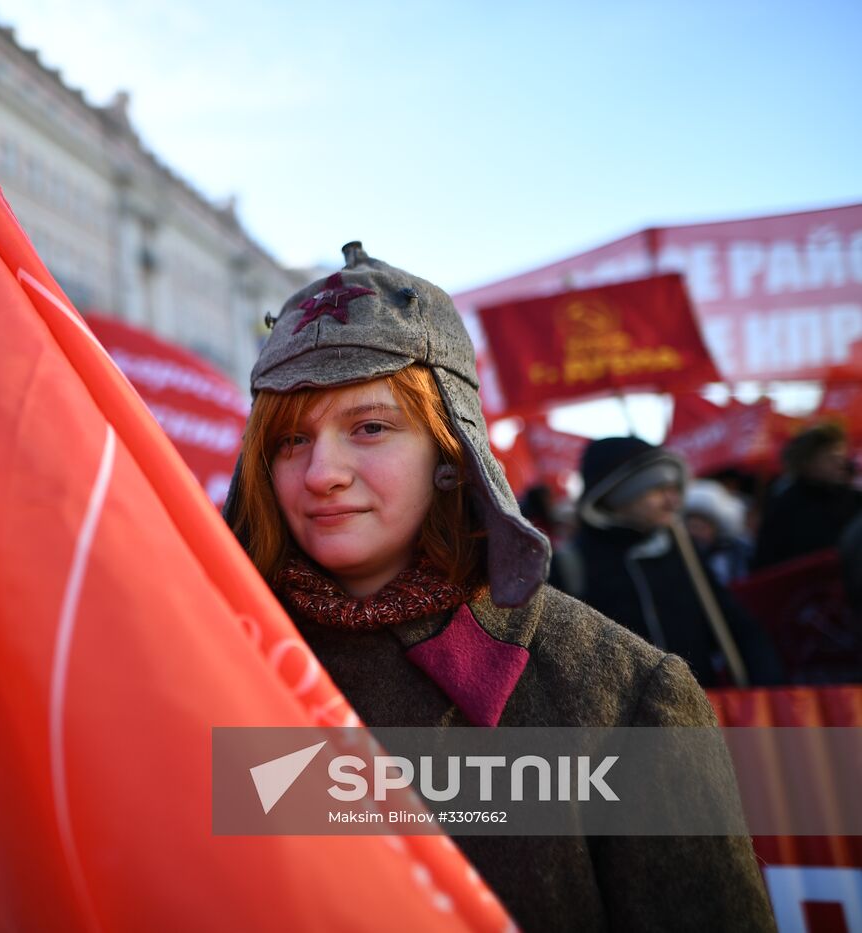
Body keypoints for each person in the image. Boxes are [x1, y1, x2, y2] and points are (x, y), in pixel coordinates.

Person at [224, 244, 774, 932]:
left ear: (452, 453)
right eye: (290, 441)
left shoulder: (621, 693)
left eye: (369, 427)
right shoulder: (210, 662)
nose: (321, 472)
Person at [574, 437, 784, 688]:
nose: (673, 501)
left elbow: (736, 625)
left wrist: (766, 683)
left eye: (674, 489)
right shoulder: (572, 563)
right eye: (657, 489)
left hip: (698, 710)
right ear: (616, 495)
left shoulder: (684, 550)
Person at [753, 423, 862, 570]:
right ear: (807, 462)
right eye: (830, 458)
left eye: (841, 456)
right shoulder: (784, 508)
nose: (840, 463)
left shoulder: (854, 499)